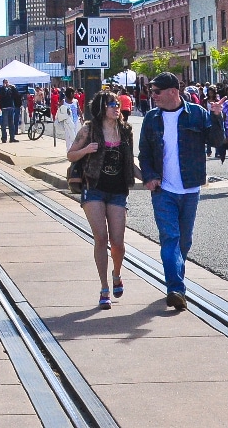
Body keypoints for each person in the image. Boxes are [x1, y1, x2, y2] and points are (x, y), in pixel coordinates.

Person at [137, 73, 226, 310]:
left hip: (190, 187)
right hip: (162, 189)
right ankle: (175, 288)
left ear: (173, 92)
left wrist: (217, 116)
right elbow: (144, 152)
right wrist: (149, 176)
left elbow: (218, 142)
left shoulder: (197, 113)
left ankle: (177, 280)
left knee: (184, 241)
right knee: (170, 238)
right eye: (151, 91)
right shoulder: (151, 118)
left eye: (156, 91)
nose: (152, 95)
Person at [66, 91, 136, 308]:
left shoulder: (125, 131)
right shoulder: (89, 130)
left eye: (117, 104)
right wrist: (86, 149)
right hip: (93, 188)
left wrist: (151, 179)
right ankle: (104, 287)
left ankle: (117, 273)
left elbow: (130, 164)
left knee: (118, 243)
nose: (117, 108)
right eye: (111, 105)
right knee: (101, 238)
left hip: (118, 190)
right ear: (101, 108)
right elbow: (71, 155)